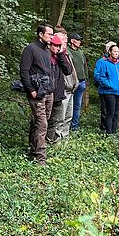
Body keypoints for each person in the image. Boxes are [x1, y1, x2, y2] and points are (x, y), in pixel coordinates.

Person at [19, 25, 67, 165]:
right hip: (37, 93)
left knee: (38, 123)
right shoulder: (30, 49)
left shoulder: (47, 51)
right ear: (41, 34)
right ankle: (41, 158)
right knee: (42, 124)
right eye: (50, 34)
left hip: (48, 92)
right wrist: (30, 89)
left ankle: (33, 151)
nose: (52, 37)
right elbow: (24, 71)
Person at [47, 33, 76, 144]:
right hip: (52, 92)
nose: (62, 45)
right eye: (60, 42)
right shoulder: (47, 55)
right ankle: (50, 141)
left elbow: (68, 70)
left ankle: (61, 140)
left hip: (64, 92)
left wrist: (61, 55)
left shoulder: (63, 55)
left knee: (64, 118)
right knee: (53, 120)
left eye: (63, 42)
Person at [93, 43, 119, 134]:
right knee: (110, 113)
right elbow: (101, 77)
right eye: (114, 51)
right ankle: (108, 132)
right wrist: (110, 85)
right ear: (110, 52)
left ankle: (114, 132)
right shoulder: (105, 63)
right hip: (109, 92)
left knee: (116, 113)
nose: (116, 53)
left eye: (118, 51)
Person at [69, 33, 88, 131]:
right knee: (69, 105)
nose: (80, 41)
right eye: (78, 39)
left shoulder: (80, 52)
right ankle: (67, 125)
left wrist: (86, 79)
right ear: (72, 41)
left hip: (82, 82)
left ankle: (75, 126)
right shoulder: (68, 51)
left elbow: (85, 66)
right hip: (72, 83)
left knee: (77, 105)